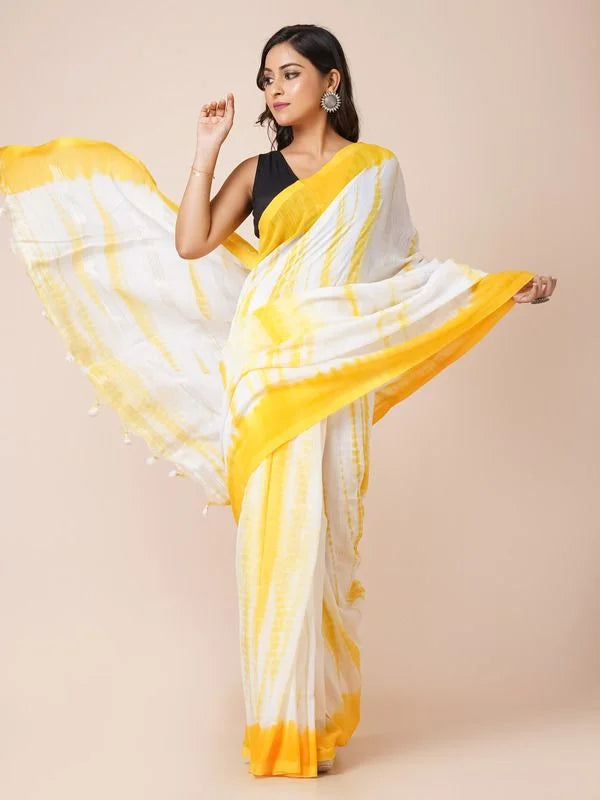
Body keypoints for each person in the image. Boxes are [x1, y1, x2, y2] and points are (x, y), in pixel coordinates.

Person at [0, 23, 556, 781]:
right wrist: (206, 150)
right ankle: (278, 727)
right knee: (274, 537)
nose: (274, 89)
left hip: (333, 367)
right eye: (267, 78)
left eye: (290, 73)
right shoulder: (256, 171)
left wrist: (491, 289)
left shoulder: (376, 172)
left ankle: (314, 720)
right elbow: (191, 243)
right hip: (265, 367)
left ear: (331, 81)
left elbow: (402, 271)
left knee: (327, 532)